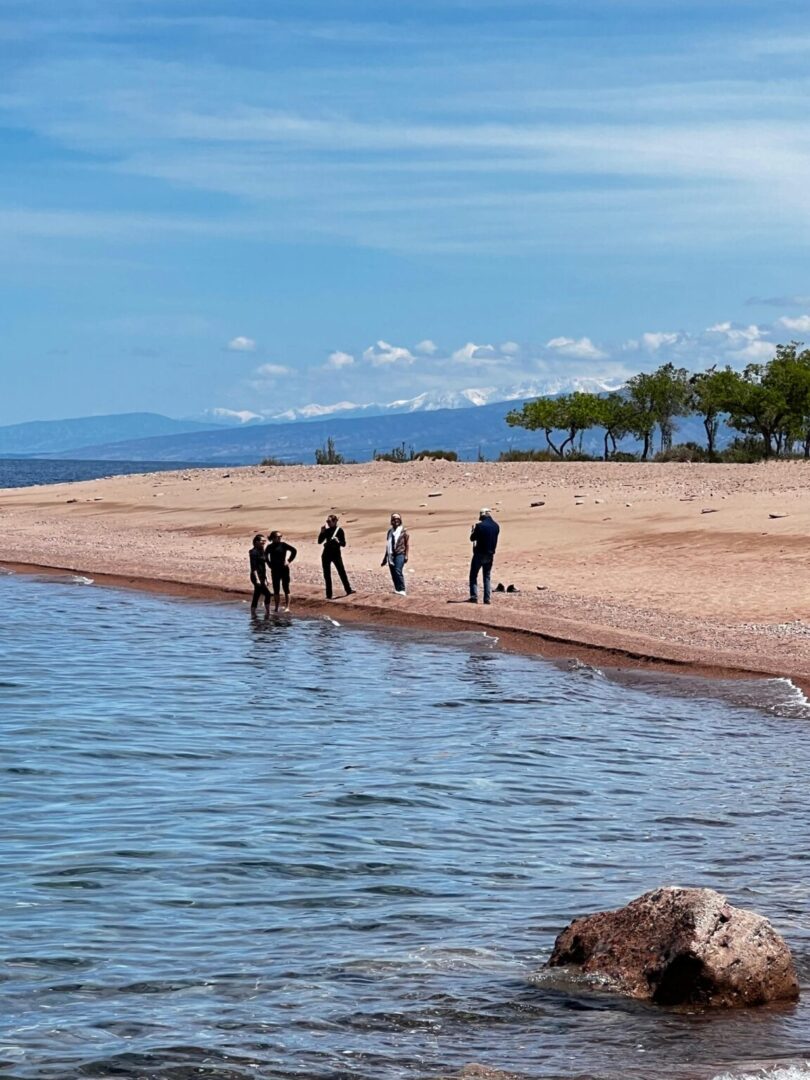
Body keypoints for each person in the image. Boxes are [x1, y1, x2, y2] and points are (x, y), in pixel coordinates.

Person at [467, 508, 500, 605]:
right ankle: (487, 598)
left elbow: (472, 538)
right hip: (490, 554)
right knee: (487, 576)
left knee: (473, 575)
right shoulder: (496, 526)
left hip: (479, 553)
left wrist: (473, 531)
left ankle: (474, 596)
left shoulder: (479, 526)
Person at [318, 514, 354, 599]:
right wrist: (322, 532)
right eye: (327, 521)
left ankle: (348, 590)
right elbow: (320, 541)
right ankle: (329, 594)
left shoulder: (340, 530)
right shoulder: (326, 530)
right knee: (327, 575)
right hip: (326, 555)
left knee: (341, 572)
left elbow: (344, 544)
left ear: (335, 521)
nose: (328, 523)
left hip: (336, 555)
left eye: (329, 521)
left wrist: (338, 541)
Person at [265, 530, 297, 613]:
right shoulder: (269, 547)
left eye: (281, 536)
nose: (280, 538)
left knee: (286, 587)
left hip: (284, 569)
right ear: (273, 538)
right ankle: (276, 607)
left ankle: (287, 607)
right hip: (275, 569)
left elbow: (294, 551)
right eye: (278, 537)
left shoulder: (283, 545)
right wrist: (269, 564)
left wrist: (289, 561)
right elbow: (265, 556)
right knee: (276, 589)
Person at [381, 512, 409, 595]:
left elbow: (406, 544)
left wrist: (406, 555)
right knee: (393, 573)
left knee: (397, 570)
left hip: (400, 553)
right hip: (390, 554)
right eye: (393, 519)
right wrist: (385, 558)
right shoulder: (390, 532)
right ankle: (397, 589)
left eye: (397, 519)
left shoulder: (403, 531)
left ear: (400, 520)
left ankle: (402, 589)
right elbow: (388, 545)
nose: (395, 521)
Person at [249, 533, 271, 616]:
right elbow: (253, 567)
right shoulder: (253, 552)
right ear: (256, 542)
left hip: (262, 576)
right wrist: (257, 579)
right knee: (268, 594)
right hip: (255, 576)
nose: (264, 542)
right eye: (262, 541)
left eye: (264, 541)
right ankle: (268, 613)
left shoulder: (262, 551)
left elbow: (263, 567)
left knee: (256, 594)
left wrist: (266, 578)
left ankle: (253, 613)